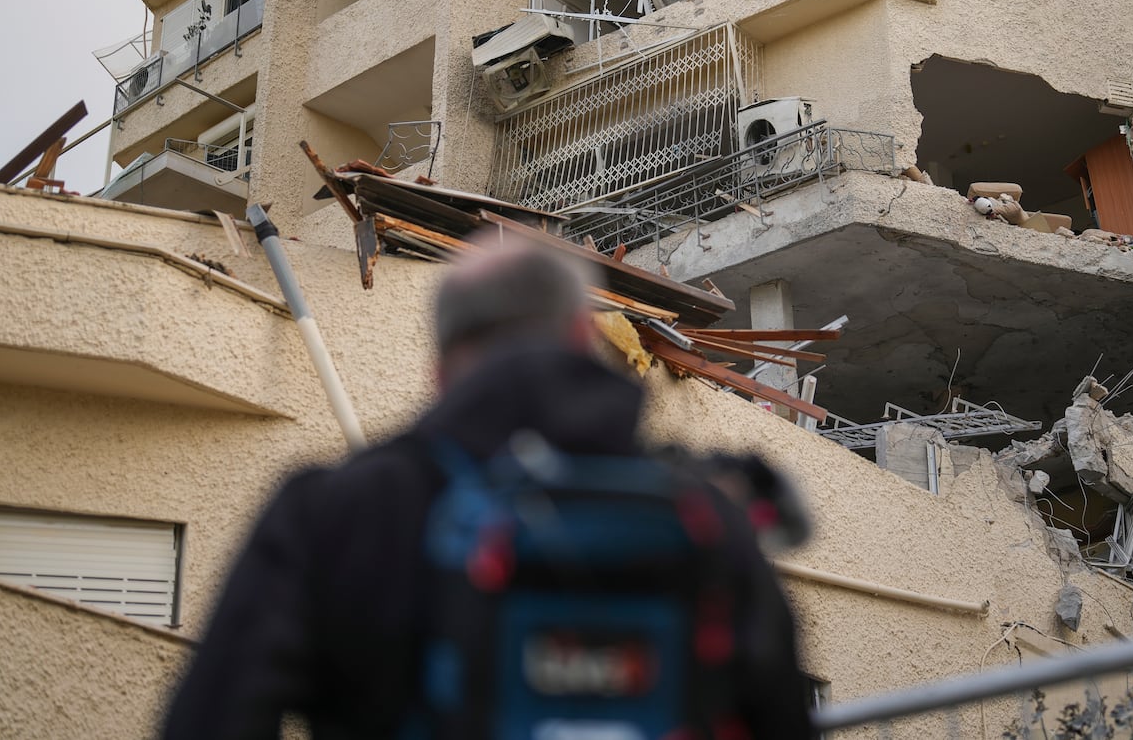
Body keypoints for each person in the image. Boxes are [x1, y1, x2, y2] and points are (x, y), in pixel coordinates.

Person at [163, 239, 815, 740]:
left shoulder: (338, 512)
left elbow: (211, 718)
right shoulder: (707, 517)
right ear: (584, 340)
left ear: (442, 371)